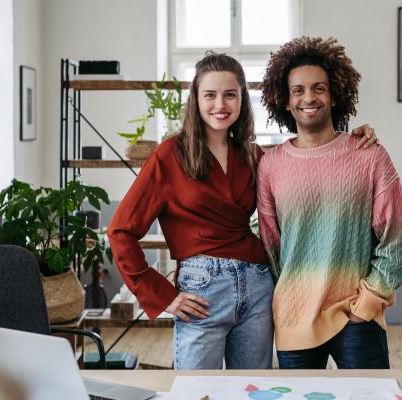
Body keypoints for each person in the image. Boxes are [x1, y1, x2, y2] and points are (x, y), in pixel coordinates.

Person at [107, 51, 378, 370]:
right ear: (196, 100)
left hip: (259, 285)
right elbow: (120, 231)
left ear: (242, 101)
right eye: (210, 95)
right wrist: (163, 295)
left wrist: (350, 139)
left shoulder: (253, 156)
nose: (220, 105)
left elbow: (306, 165)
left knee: (252, 391)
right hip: (203, 293)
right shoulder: (170, 155)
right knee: (197, 393)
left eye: (230, 95)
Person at [257, 37, 402, 370]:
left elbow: (395, 237)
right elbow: (271, 247)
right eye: (297, 90)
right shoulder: (270, 166)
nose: (308, 98)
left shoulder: (369, 155)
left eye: (319, 88)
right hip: (294, 318)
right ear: (284, 100)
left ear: (335, 93)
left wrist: (368, 304)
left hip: (356, 314)